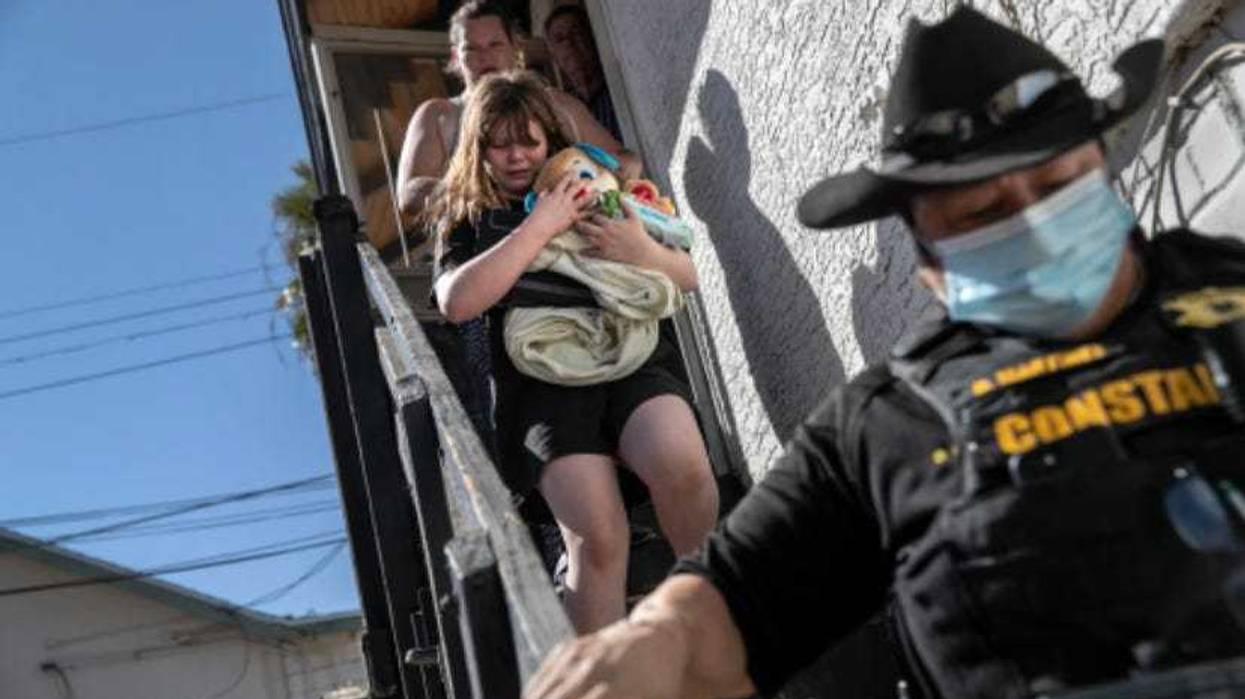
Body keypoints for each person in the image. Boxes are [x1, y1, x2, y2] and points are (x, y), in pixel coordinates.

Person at [524, 7, 1245, 699]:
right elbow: (729, 605)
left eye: (1059, 184)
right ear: (927, 254)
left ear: (1101, 161)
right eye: (981, 212)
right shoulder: (885, 423)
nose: (1035, 219)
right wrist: (641, 646)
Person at [426, 71, 719, 634]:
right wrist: (539, 227)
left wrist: (639, 250)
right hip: (541, 385)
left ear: (551, 141)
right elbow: (457, 302)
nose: (516, 156)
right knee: (599, 537)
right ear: (478, 147)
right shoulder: (466, 215)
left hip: (629, 359)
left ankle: (709, 622)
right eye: (500, 143)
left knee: (684, 467)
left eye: (529, 141)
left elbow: (686, 274)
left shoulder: (595, 184)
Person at [394, 0, 636, 238]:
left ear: (515, 48)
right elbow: (409, 193)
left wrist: (578, 186)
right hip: (485, 252)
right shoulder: (440, 114)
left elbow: (629, 162)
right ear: (456, 57)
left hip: (573, 247)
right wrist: (478, 194)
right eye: (471, 49)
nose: (484, 56)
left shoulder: (555, 103)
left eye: (495, 44)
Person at [544, 3, 622, 142]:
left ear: (592, 37)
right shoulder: (563, 110)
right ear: (553, 55)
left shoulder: (619, 93)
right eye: (560, 39)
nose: (569, 43)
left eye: (576, 33)